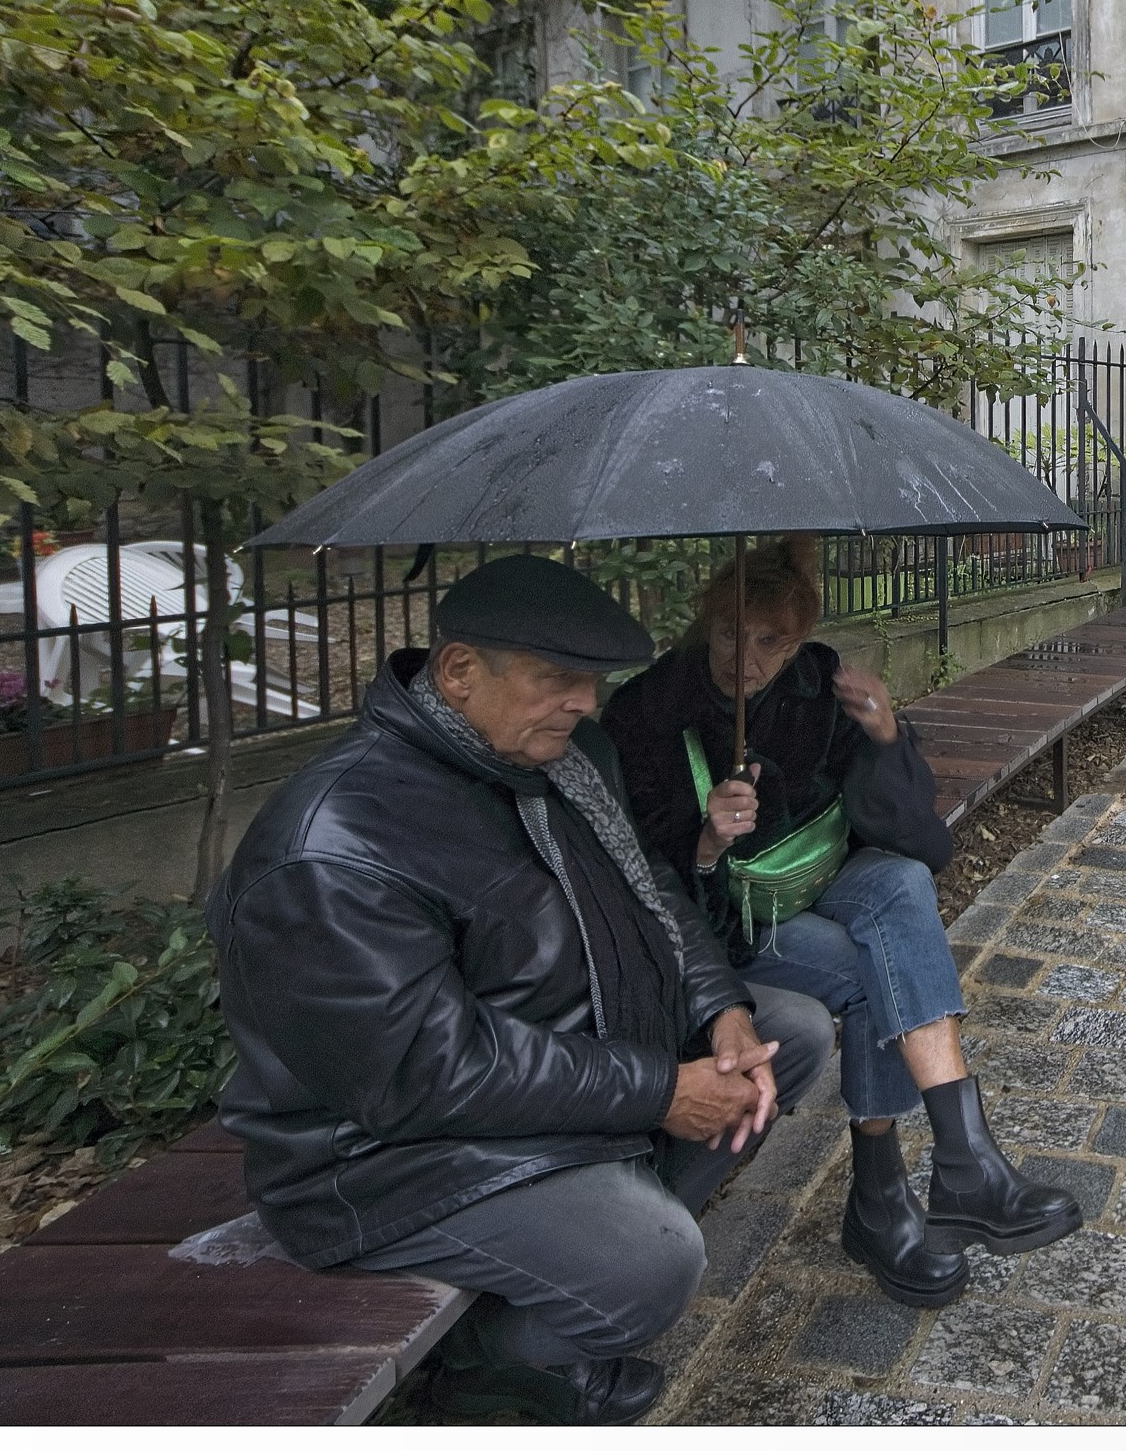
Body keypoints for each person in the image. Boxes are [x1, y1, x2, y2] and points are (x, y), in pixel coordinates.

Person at [209, 555, 838, 1426]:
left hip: (568, 1059)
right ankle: (498, 1365)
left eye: (590, 682)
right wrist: (659, 1091)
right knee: (652, 1265)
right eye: (557, 680)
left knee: (791, 1033)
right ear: (461, 672)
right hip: (391, 1159)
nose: (584, 702)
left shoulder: (562, 759)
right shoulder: (335, 843)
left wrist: (720, 1010)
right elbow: (425, 1073)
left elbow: (651, 890)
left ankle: (578, 1257)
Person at [605, 543, 1083, 1310]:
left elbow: (905, 831)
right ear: (706, 623)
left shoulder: (815, 684)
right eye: (731, 634)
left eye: (770, 642)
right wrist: (704, 840)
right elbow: (632, 872)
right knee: (874, 973)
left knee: (896, 883)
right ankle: (889, 1196)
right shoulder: (648, 710)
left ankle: (961, 1159)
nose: (746, 658)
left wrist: (889, 735)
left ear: (796, 641)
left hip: (828, 878)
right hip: (730, 920)